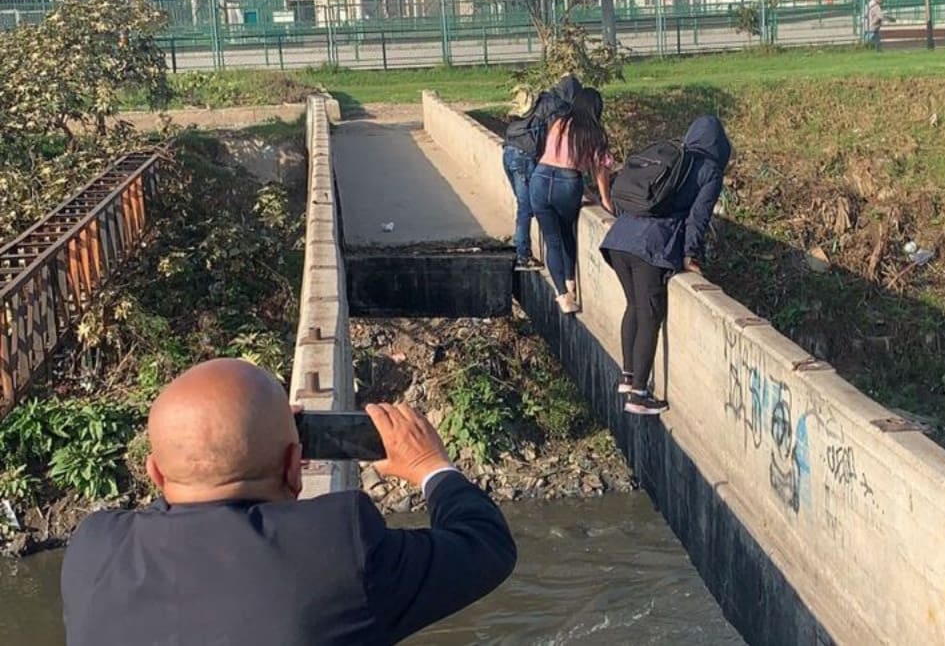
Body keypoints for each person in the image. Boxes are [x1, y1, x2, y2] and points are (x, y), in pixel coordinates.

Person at [60, 359, 517, 646]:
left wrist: (264, 440)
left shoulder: (93, 548)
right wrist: (428, 465)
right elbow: (486, 546)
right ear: (295, 468)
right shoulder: (338, 546)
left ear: (155, 473)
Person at [601, 116, 732, 416]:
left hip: (619, 239)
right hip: (650, 247)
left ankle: (627, 377)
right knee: (650, 316)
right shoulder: (709, 171)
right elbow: (698, 217)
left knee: (634, 306)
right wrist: (690, 255)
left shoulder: (674, 158)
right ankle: (638, 395)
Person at [530, 87, 613, 315]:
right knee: (567, 232)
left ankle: (563, 295)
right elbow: (601, 168)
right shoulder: (594, 132)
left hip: (540, 178)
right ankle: (570, 281)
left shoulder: (559, 123)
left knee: (552, 240)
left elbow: (556, 157)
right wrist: (605, 199)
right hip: (568, 184)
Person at [503, 74, 582, 270]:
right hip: (524, 156)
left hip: (509, 151)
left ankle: (520, 245)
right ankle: (523, 255)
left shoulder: (544, 100)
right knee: (526, 208)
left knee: (524, 205)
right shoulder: (558, 107)